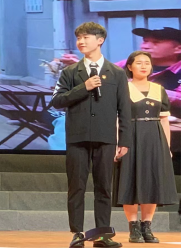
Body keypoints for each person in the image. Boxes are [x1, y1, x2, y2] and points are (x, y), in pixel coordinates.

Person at [52, 22, 132, 248]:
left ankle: (102, 235)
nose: (81, 41)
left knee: (104, 187)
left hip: (106, 137)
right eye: (79, 38)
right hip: (77, 137)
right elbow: (57, 101)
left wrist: (124, 140)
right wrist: (83, 87)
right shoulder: (70, 72)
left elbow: (124, 109)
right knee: (76, 186)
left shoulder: (116, 73)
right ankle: (77, 233)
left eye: (86, 37)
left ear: (100, 40)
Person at [113, 51, 177, 243]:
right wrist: (118, 143)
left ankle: (146, 226)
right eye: (139, 63)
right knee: (130, 180)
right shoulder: (123, 88)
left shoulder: (159, 89)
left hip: (155, 138)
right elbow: (117, 119)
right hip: (130, 137)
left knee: (152, 181)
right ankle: (133, 227)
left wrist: (167, 147)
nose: (143, 66)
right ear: (129, 66)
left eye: (147, 63)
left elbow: (164, 120)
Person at [60, 27, 181, 120]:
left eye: (156, 42)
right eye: (145, 41)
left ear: (178, 49)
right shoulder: (128, 63)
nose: (146, 46)